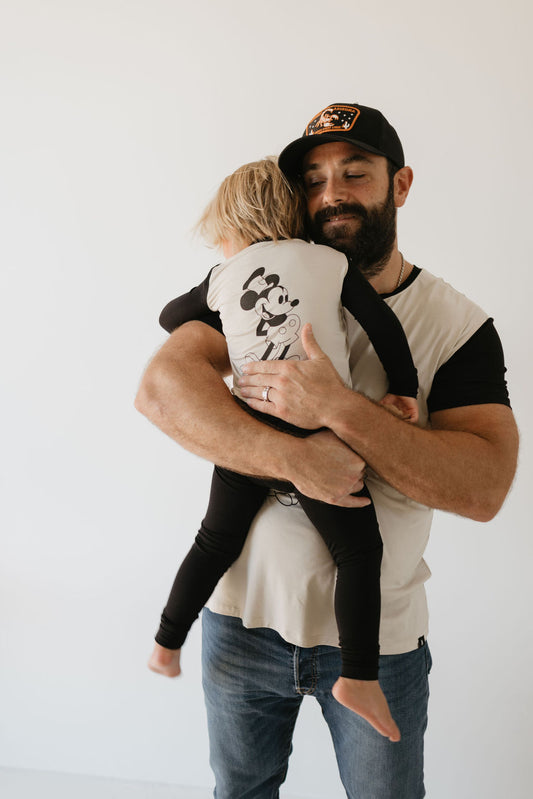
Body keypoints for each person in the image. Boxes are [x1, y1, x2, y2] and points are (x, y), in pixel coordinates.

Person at [135, 103, 518, 798]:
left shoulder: (457, 326)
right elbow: (162, 388)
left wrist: (337, 408)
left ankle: (173, 640)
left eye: (353, 172)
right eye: (310, 179)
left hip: (378, 643)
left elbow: (483, 486)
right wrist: (294, 457)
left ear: (399, 185)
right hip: (239, 622)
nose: (329, 193)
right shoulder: (264, 282)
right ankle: (168, 639)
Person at [147, 156, 420, 743]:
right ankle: (360, 677)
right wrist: (402, 389)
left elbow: (170, 317)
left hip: (252, 430)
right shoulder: (330, 261)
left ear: (232, 225)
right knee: (357, 551)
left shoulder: (227, 272)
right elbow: (383, 327)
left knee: (214, 539)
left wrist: (221, 295)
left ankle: (166, 644)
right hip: (315, 431)